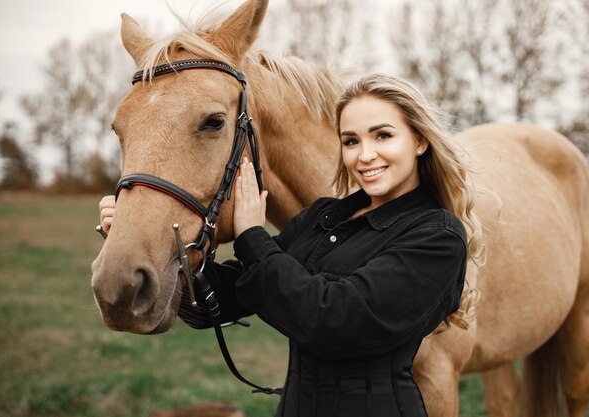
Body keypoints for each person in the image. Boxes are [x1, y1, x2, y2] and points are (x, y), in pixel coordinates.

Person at [99, 73, 483, 417]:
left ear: (418, 141)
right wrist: (145, 248)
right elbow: (228, 296)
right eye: (351, 141)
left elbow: (334, 321)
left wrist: (252, 236)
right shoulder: (326, 216)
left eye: (382, 135)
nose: (365, 155)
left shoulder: (436, 236)